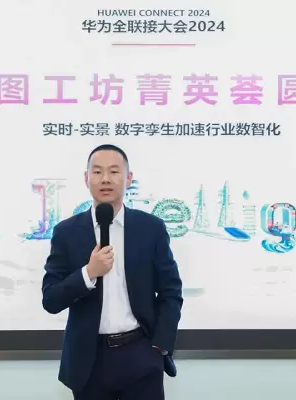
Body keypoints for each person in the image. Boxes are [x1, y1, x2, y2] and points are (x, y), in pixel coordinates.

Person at [42, 144, 184, 399]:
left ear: (128, 178)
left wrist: (160, 346)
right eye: (97, 172)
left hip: (141, 355)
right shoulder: (67, 232)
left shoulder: (150, 228)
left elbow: (170, 291)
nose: (105, 179)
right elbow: (51, 299)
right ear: (86, 178)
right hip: (89, 361)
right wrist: (88, 272)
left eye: (114, 171)